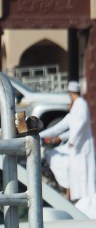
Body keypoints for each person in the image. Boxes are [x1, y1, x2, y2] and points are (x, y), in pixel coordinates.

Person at [40, 80, 96, 217]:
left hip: (82, 148)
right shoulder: (75, 108)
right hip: (75, 149)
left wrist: (71, 140)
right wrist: (39, 135)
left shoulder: (81, 103)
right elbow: (59, 127)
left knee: (85, 178)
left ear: (70, 93)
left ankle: (88, 208)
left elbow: (81, 124)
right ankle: (79, 205)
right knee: (76, 177)